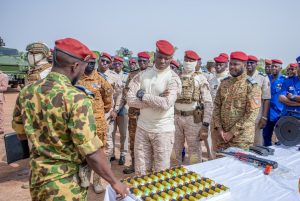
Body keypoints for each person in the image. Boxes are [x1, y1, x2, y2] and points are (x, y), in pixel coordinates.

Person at [12, 38, 128, 200]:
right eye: (82, 67)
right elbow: (92, 152)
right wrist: (115, 182)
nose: (83, 72)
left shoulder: (27, 92)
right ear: (75, 66)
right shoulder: (76, 98)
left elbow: (21, 134)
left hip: (38, 179)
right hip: (65, 185)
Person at [127, 40, 181, 175]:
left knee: (160, 173)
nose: (163, 61)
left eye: (167, 58)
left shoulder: (173, 78)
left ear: (171, 59)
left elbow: (166, 104)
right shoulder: (142, 75)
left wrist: (143, 95)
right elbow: (130, 100)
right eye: (160, 57)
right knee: (141, 171)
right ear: (155, 55)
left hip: (163, 131)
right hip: (142, 129)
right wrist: (156, 99)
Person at [212, 51, 261, 156]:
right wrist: (219, 128)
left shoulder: (251, 86)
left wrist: (232, 132)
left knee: (238, 170)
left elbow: (251, 114)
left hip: (241, 138)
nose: (232, 67)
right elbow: (216, 106)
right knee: (219, 167)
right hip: (222, 136)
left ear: (244, 65)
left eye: (236, 64)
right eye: (231, 64)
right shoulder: (224, 83)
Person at [77, 57, 113, 194]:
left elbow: (108, 96)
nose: (91, 66)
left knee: (99, 152)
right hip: (81, 121)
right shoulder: (76, 78)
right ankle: (84, 179)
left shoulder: (100, 79)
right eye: (88, 63)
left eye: (93, 63)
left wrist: (102, 111)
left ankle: (97, 182)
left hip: (98, 122)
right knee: (83, 151)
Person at [172, 50, 213, 165]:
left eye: (191, 61)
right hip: (176, 118)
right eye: (186, 60)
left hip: (193, 120)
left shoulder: (201, 78)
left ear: (195, 63)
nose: (188, 63)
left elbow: (208, 103)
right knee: (175, 149)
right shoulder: (176, 77)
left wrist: (205, 125)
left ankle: (196, 173)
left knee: (194, 150)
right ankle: (175, 173)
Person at [123, 52, 150, 174]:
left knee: (149, 140)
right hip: (134, 113)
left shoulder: (153, 75)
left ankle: (149, 165)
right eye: (140, 61)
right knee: (133, 139)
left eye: (145, 61)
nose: (142, 63)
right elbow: (126, 93)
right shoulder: (132, 75)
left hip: (149, 113)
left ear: (149, 62)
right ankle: (134, 164)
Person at [97, 52, 123, 162]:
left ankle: (106, 163)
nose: (104, 63)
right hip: (93, 111)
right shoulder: (91, 74)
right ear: (98, 61)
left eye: (107, 62)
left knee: (108, 138)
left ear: (110, 64)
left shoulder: (114, 76)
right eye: (102, 60)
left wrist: (115, 110)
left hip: (108, 112)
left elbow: (119, 95)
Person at [246, 55, 271, 145]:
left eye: (251, 63)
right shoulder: (241, 76)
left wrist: (264, 117)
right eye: (247, 62)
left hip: (257, 115)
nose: (249, 64)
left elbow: (266, 98)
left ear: (256, 64)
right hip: (242, 116)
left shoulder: (263, 77)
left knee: (257, 143)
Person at [262, 59, 286, 146]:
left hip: (279, 114)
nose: (273, 68)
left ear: (280, 68)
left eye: (276, 66)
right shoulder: (266, 78)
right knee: (266, 136)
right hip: (267, 113)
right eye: (272, 66)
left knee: (281, 137)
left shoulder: (284, 80)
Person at [110, 56, 128, 165]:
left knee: (123, 133)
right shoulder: (109, 75)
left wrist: (118, 109)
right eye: (115, 64)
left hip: (122, 108)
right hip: (110, 109)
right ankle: (111, 153)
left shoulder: (126, 76)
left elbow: (125, 94)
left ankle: (123, 154)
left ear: (122, 65)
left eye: (119, 64)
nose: (117, 66)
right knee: (111, 133)